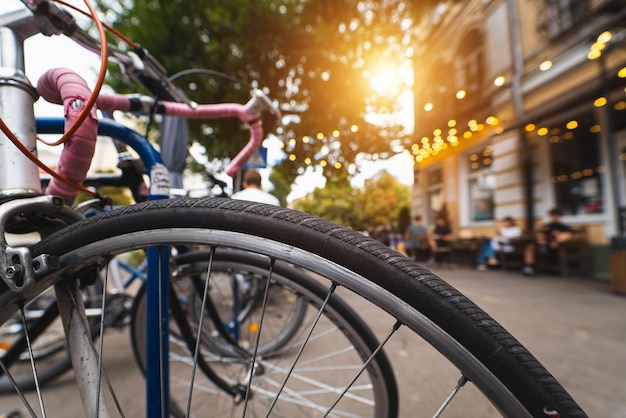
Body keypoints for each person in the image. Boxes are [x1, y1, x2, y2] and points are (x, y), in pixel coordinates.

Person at [522, 208, 572, 276]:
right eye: (553, 216)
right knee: (530, 247)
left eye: (557, 216)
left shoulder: (564, 227)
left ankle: (543, 250)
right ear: (550, 216)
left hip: (555, 245)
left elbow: (567, 236)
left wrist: (556, 239)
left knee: (553, 242)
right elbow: (540, 235)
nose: (555, 217)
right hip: (543, 243)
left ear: (560, 217)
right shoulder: (547, 226)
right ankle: (529, 267)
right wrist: (541, 239)